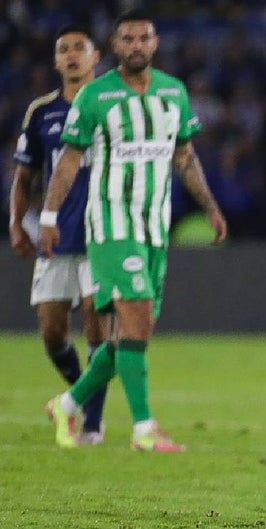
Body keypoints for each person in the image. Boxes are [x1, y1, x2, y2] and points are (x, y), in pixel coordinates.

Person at [39, 8, 228, 452]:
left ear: (155, 42)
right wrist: (48, 216)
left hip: (154, 228)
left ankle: (67, 404)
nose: (136, 46)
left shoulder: (173, 92)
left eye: (144, 38)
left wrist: (211, 207)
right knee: (136, 317)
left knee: (131, 333)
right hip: (111, 225)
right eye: (128, 39)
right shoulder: (95, 96)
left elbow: (184, 156)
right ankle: (144, 428)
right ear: (115, 46)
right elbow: (69, 161)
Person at [8, 24, 111, 445]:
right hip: (56, 235)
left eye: (79, 48)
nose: (71, 55)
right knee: (52, 333)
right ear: (55, 60)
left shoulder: (111, 106)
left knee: (96, 325)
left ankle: (92, 426)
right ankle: (79, 397)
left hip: (102, 233)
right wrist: (16, 222)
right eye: (63, 49)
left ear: (95, 56)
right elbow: (24, 176)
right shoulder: (41, 112)